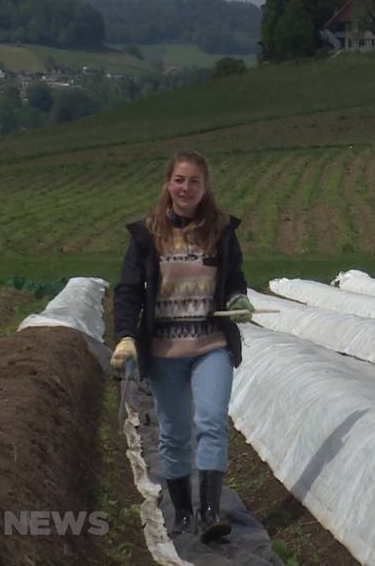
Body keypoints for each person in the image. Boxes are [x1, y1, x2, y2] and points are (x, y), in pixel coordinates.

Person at [109, 149, 255, 542]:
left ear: (205, 187)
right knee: (173, 433)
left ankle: (209, 514)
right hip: (163, 351)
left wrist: (238, 300)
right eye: (179, 180)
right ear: (167, 184)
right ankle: (184, 514)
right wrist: (125, 335)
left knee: (211, 422)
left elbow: (235, 278)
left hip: (210, 345)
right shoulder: (146, 235)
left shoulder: (221, 231)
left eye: (194, 181)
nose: (186, 187)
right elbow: (128, 291)